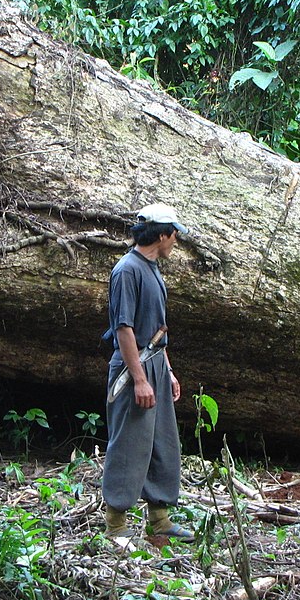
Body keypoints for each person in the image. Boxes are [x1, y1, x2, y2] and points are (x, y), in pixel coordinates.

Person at [100, 203, 195, 548]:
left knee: (161, 441)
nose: (175, 242)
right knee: (128, 443)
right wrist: (139, 379)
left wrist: (166, 372)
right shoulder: (127, 270)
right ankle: (116, 525)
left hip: (154, 363)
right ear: (162, 234)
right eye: (174, 235)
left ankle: (159, 520)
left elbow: (157, 330)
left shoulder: (152, 268)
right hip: (132, 367)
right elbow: (124, 329)